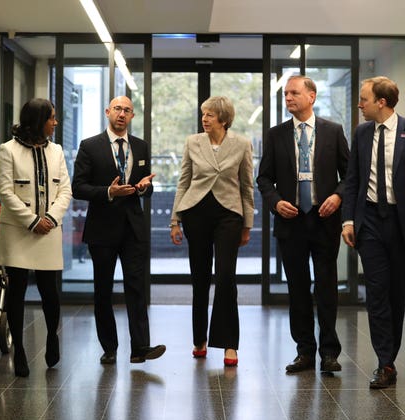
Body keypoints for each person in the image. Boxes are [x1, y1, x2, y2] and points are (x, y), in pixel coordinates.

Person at [341, 76, 405, 388]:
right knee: (377, 292)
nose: (360, 105)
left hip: (402, 223)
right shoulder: (361, 133)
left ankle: (389, 355)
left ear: (381, 102)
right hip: (369, 220)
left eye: (364, 99)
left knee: (396, 292)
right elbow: (353, 179)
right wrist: (348, 220)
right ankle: (385, 362)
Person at [257, 75, 349, 374]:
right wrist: (274, 201)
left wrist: (337, 196)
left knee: (326, 288)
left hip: (325, 221)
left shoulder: (333, 132)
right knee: (297, 290)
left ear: (311, 96)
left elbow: (350, 176)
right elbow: (263, 178)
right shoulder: (275, 135)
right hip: (291, 221)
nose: (288, 99)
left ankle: (329, 353)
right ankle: (305, 352)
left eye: (294, 93)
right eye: (285, 94)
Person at [72, 96, 165, 365]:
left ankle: (140, 348)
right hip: (102, 229)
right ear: (107, 112)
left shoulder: (140, 146)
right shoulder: (90, 146)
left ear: (132, 116)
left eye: (127, 110)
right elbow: (78, 187)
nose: (121, 114)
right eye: (117, 109)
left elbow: (145, 187)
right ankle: (109, 347)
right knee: (103, 290)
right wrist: (108, 192)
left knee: (136, 288)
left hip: (133, 228)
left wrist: (147, 188)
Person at [170, 96, 254, 367]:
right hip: (196, 213)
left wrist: (248, 224)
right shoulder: (193, 142)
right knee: (200, 277)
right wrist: (175, 220)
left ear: (223, 118)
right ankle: (199, 340)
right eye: (203, 114)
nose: (204, 119)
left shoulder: (241, 144)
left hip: (229, 214)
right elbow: (183, 181)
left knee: (226, 276)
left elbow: (246, 187)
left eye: (209, 115)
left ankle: (230, 343)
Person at [0, 98, 72, 377]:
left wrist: (50, 219)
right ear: (38, 120)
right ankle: (20, 351)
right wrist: (31, 221)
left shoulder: (58, 151)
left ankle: (52, 336)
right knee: (16, 290)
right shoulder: (8, 150)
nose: (55, 122)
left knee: (49, 291)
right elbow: (6, 192)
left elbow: (65, 190)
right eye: (51, 117)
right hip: (18, 229)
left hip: (49, 230)